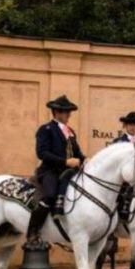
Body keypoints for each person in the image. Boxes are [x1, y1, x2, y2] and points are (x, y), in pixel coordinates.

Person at [25, 95, 86, 248]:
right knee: (50, 195)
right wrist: (65, 161)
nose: (69, 115)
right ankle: (33, 231)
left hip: (69, 172)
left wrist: (85, 160)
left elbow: (76, 152)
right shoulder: (45, 129)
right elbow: (42, 153)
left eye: (69, 112)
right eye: (66, 112)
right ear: (56, 112)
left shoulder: (70, 131)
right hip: (50, 171)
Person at [113, 111, 135, 221]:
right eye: (130, 125)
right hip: (123, 179)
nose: (133, 127)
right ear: (126, 126)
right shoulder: (118, 142)